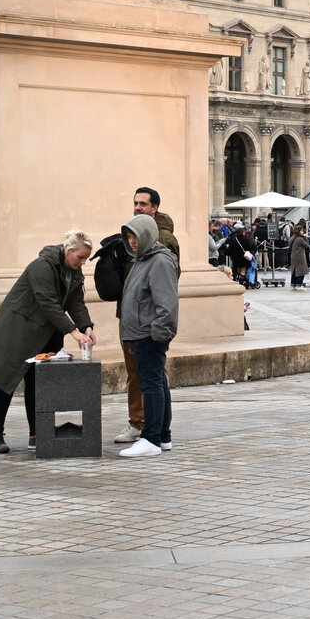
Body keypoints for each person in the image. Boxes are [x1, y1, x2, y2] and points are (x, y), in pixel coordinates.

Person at [0, 232, 96, 454]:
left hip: (47, 335)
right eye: (81, 257)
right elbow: (47, 303)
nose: (83, 262)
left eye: (86, 258)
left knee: (38, 384)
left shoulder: (75, 273)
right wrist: (74, 332)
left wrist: (87, 326)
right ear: (68, 252)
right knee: (5, 381)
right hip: (20, 331)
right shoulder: (41, 267)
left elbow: (76, 302)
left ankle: (37, 433)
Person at [110, 188, 178, 445]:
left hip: (147, 327)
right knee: (148, 378)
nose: (137, 207)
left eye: (143, 203)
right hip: (137, 325)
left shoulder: (159, 249)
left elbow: (165, 297)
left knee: (150, 380)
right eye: (135, 203)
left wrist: (158, 333)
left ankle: (150, 433)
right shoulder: (140, 249)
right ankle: (157, 433)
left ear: (155, 208)